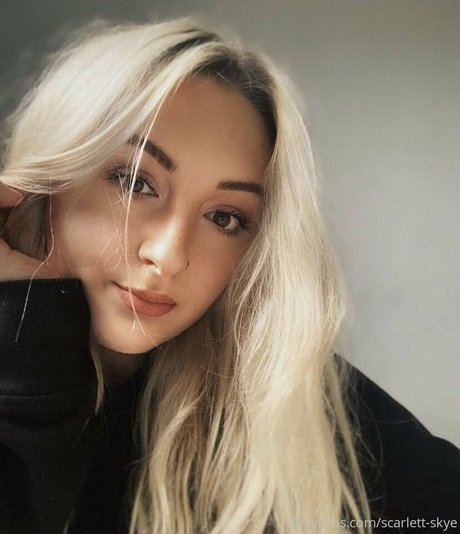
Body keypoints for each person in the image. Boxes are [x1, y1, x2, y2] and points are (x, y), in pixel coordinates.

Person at [0, 17, 458, 534]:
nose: (169, 256)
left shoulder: (278, 391)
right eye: (134, 182)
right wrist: (23, 339)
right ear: (51, 178)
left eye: (224, 218)